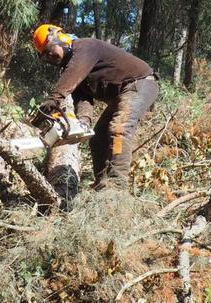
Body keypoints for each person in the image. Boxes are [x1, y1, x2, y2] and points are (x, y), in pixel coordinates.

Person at [32, 23, 160, 189]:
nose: (51, 57)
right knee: (97, 138)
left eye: (50, 51)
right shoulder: (72, 67)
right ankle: (102, 184)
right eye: (46, 57)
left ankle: (116, 185)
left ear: (60, 37)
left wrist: (52, 99)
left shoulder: (85, 46)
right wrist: (83, 122)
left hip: (140, 84)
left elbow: (71, 77)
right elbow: (83, 98)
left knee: (120, 128)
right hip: (122, 94)